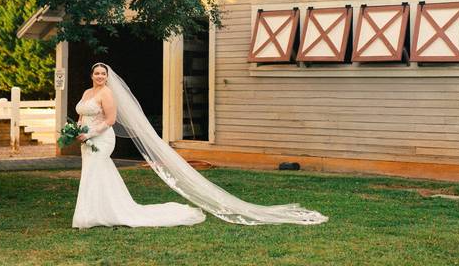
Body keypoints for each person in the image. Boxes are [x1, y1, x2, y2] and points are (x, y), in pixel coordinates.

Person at [72, 62, 327, 228]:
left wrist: (91, 133)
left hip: (102, 138)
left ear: (108, 77)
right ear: (91, 75)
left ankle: (99, 213)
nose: (100, 76)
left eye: (103, 73)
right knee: (95, 173)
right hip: (87, 138)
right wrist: (77, 129)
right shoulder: (86, 93)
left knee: (98, 170)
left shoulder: (107, 93)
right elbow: (83, 113)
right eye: (96, 73)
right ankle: (97, 210)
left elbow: (111, 119)